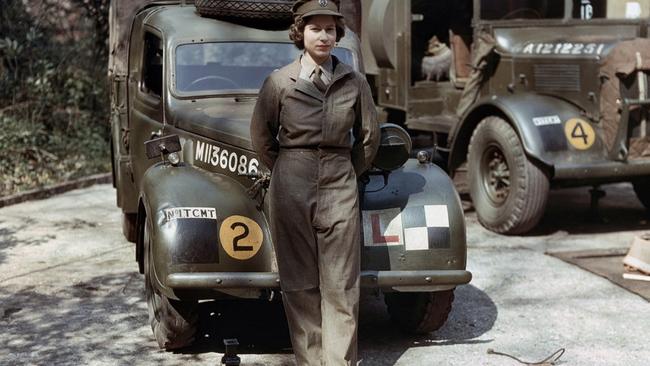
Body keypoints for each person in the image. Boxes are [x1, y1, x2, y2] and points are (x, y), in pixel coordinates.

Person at [250, 0, 380, 364]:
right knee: (300, 284)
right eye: (315, 28)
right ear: (299, 33)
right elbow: (262, 137)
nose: (323, 36)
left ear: (339, 35)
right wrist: (288, 169)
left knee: (341, 284)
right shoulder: (279, 82)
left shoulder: (354, 83)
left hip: (340, 183)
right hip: (291, 183)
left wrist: (344, 173)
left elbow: (369, 138)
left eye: (330, 29)